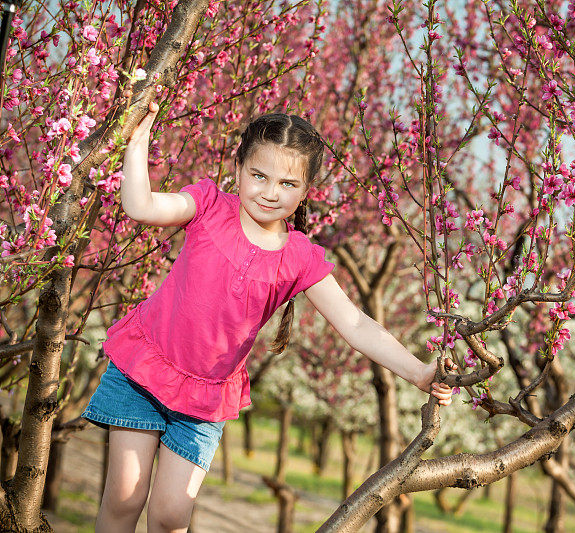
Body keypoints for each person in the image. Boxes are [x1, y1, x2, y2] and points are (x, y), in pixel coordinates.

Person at [81, 100, 455, 533]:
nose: (270, 192)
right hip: (144, 370)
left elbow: (355, 324)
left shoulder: (299, 257)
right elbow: (142, 207)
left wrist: (419, 372)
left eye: (287, 183)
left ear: (305, 190)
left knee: (170, 515)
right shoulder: (208, 206)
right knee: (125, 498)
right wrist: (139, 138)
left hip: (204, 399)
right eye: (259, 176)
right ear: (238, 168)